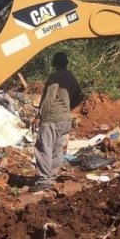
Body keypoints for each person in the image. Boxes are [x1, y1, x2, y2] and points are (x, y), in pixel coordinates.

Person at [30, 51, 83, 192]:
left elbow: (49, 98)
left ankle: (44, 180)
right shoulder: (71, 78)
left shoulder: (55, 77)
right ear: (66, 63)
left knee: (44, 148)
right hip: (65, 119)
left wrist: (39, 116)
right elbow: (80, 96)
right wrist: (67, 107)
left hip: (51, 118)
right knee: (57, 149)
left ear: (54, 63)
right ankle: (52, 177)